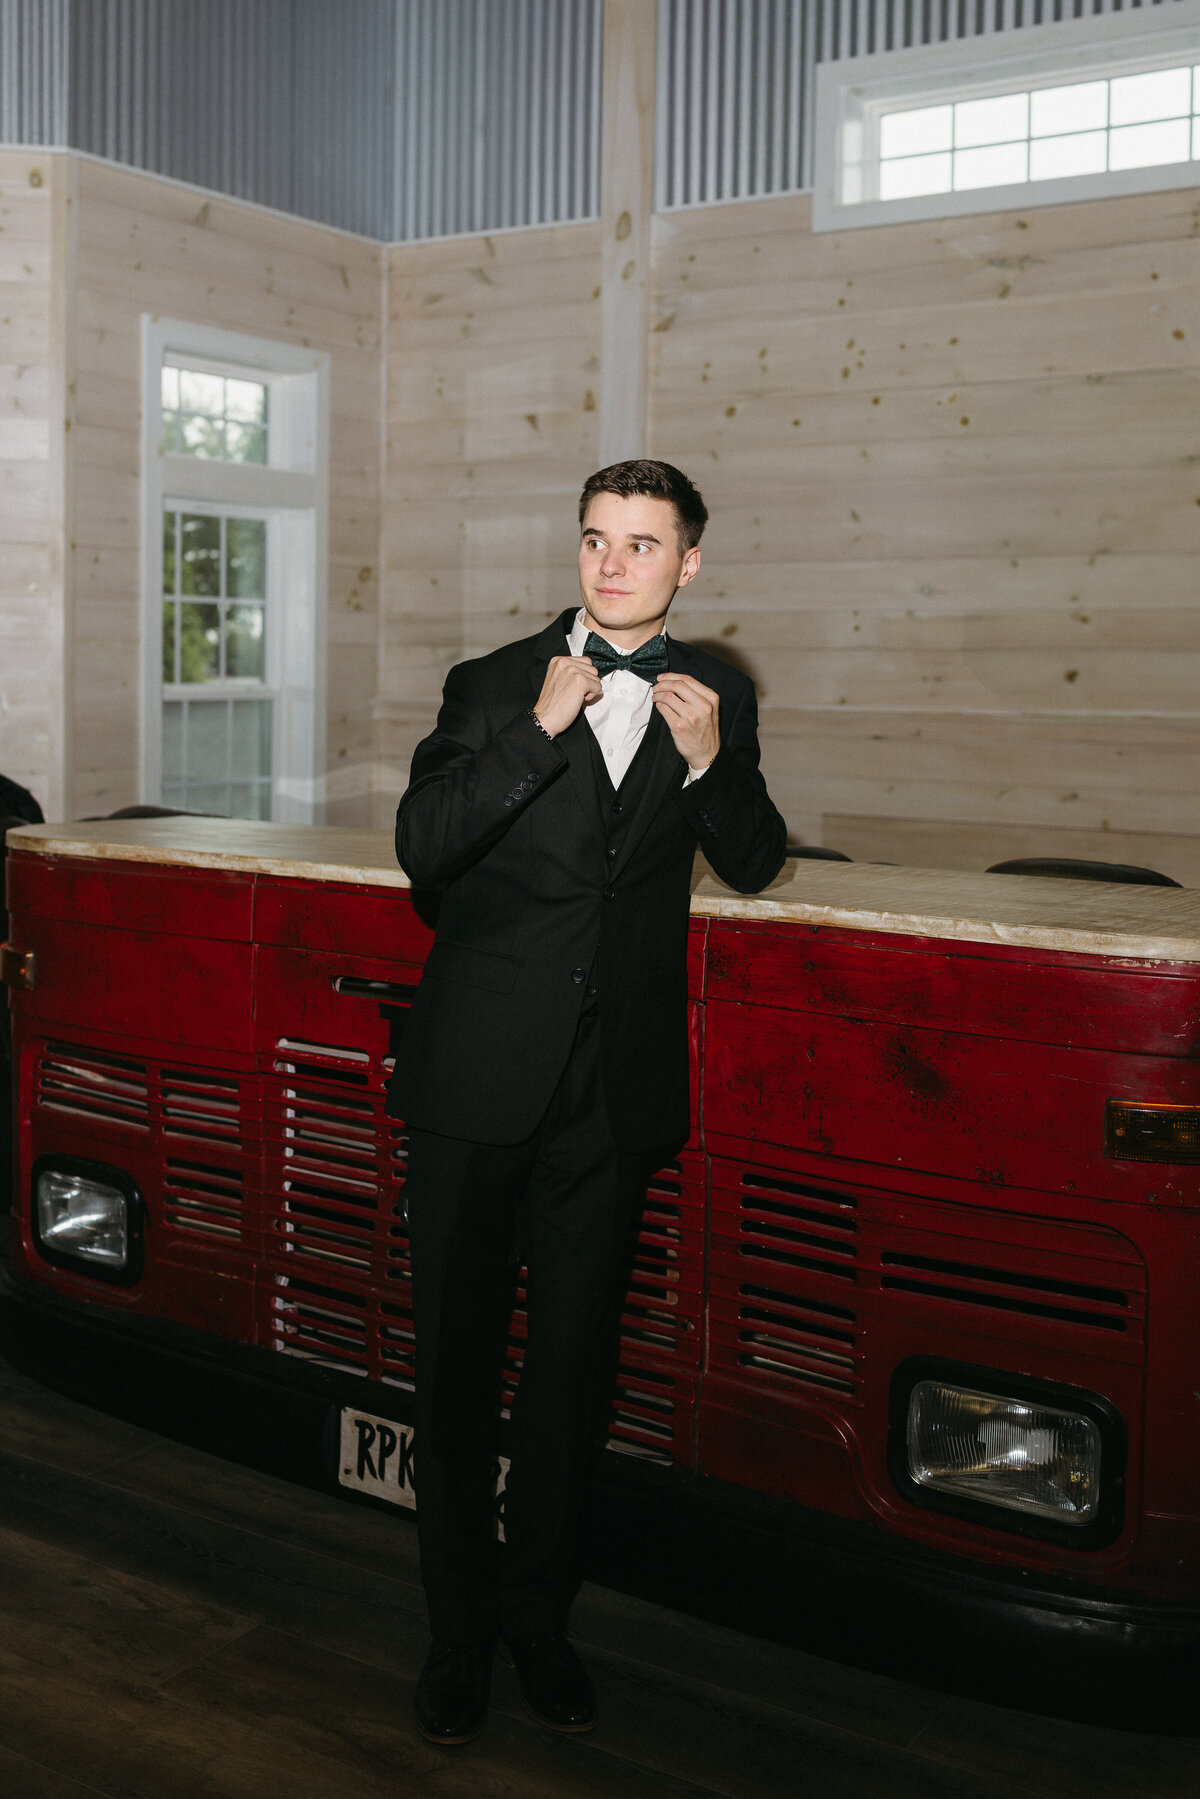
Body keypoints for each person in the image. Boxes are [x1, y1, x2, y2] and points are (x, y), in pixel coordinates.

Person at [388, 459, 787, 1745]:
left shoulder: (713, 696)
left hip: (611, 1097)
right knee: (453, 1372)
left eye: (643, 543)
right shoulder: (493, 684)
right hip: (474, 1077)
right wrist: (534, 732)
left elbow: (758, 856)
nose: (613, 563)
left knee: (568, 1374)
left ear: (689, 566)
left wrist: (715, 762)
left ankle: (538, 1622)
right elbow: (422, 846)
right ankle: (455, 1636)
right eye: (595, 540)